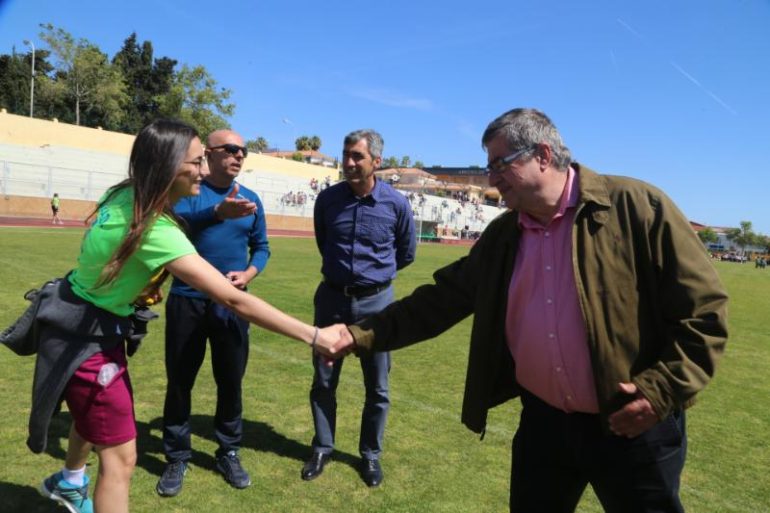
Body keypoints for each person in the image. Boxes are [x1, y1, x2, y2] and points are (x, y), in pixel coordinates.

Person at [342, 108, 728, 512]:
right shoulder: (503, 234)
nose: (492, 178)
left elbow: (705, 311)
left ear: (542, 155)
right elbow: (440, 300)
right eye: (488, 167)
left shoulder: (637, 207)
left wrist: (661, 391)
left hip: (633, 424)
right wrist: (357, 334)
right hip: (544, 427)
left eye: (500, 164)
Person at [20, 119, 347, 513]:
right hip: (87, 337)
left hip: (82, 321)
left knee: (93, 416)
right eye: (196, 162)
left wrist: (134, 282)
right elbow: (234, 300)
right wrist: (316, 336)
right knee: (121, 459)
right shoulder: (156, 228)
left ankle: (71, 479)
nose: (203, 170)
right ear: (169, 165)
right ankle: (87, 479)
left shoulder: (123, 193)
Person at [156, 130, 268, 497]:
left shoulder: (251, 199)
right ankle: (176, 455)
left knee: (230, 381)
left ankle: (228, 451)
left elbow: (262, 248)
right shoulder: (188, 191)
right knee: (180, 381)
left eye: (243, 151)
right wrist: (217, 212)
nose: (239, 156)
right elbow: (177, 227)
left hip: (231, 305)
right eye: (231, 149)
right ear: (209, 153)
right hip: (187, 300)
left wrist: (249, 273)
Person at [301, 129, 416, 487]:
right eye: (346, 155)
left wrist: (372, 279)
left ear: (376, 162)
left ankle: (370, 455)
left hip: (377, 305)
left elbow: (406, 253)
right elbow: (324, 243)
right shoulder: (328, 200)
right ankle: (323, 447)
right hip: (332, 300)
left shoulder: (396, 204)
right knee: (323, 381)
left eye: (357, 156)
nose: (349, 162)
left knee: (377, 386)